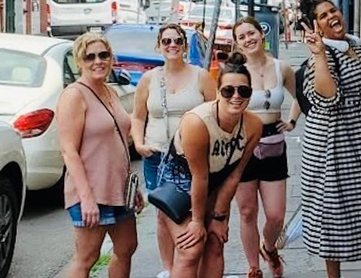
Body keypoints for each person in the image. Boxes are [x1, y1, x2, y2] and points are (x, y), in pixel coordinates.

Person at [299, 0, 361, 278]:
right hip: (333, 142)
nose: (331, 17)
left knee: (359, 212)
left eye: (333, 10)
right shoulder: (323, 53)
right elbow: (327, 95)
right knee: (332, 209)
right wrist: (319, 54)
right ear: (315, 26)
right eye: (323, 16)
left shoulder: (357, 45)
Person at [156, 53, 262, 278]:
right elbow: (198, 177)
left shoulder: (253, 125)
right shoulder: (197, 122)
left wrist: (219, 217)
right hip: (180, 181)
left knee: (215, 241)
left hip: (217, 180)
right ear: (217, 92)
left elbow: (235, 174)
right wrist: (196, 221)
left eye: (243, 91)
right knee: (191, 248)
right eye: (228, 91)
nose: (236, 96)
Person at [131, 23, 217, 278]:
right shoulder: (150, 79)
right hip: (156, 155)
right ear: (159, 45)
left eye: (177, 40)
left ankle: (191, 264)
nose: (172, 45)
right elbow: (138, 117)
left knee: (195, 211)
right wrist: (138, 143)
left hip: (193, 157)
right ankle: (169, 268)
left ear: (184, 45)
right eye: (166, 41)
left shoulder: (200, 76)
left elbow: (214, 113)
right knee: (162, 213)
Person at [57, 33, 142, 278]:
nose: (98, 61)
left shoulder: (110, 91)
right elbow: (68, 150)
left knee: (126, 247)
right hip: (91, 190)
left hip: (118, 188)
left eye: (103, 55)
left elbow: (118, 141)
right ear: (79, 61)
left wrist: (131, 184)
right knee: (86, 258)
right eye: (90, 56)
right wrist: (86, 198)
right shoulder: (74, 95)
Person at [232, 16, 303, 278]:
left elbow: (301, 96)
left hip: (274, 142)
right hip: (244, 144)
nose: (248, 39)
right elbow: (223, 106)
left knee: (275, 215)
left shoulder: (281, 67)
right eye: (242, 37)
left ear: (261, 34)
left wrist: (292, 121)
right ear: (237, 44)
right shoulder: (236, 72)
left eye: (251, 33)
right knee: (247, 211)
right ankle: (254, 267)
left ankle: (269, 248)